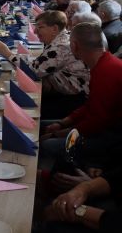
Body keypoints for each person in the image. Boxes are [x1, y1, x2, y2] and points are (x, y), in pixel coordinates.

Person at [41, 22, 122, 172]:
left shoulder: (106, 72)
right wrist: (63, 122)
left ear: (74, 45)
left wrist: (58, 133)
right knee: (41, 125)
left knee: (47, 145)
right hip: (101, 128)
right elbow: (91, 105)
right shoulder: (104, 63)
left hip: (110, 139)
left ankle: (50, 179)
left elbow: (96, 122)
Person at [0, 11, 89, 118]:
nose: (35, 31)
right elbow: (38, 64)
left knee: (19, 111)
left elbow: (32, 72)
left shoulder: (61, 47)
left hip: (73, 102)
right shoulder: (62, 38)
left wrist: (7, 54)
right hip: (63, 94)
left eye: (40, 27)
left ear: (54, 29)